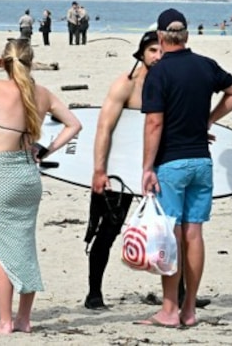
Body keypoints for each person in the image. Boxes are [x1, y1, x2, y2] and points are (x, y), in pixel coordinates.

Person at [0, 39, 82, 334]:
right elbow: (74, 124)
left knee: (3, 251)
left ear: (7, 62)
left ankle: (6, 321)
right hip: (28, 174)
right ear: (31, 61)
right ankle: (23, 318)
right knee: (24, 247)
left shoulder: (0, 87)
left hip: (0, 173)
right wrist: (46, 150)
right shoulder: (42, 93)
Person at [140, 8, 232, 328]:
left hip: (171, 163)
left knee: (170, 237)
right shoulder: (205, 65)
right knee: (194, 234)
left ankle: (169, 310)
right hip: (202, 161)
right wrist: (208, 120)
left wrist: (147, 166)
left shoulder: (158, 73)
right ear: (186, 36)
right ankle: (189, 309)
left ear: (160, 37)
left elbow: (154, 124)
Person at [85, 30, 162, 310]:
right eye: (152, 50)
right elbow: (104, 127)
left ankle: (179, 294)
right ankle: (94, 292)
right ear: (141, 53)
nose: (157, 56)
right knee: (108, 230)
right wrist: (99, 170)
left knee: (171, 228)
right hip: (121, 169)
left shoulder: (169, 83)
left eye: (162, 50)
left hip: (158, 166)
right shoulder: (126, 85)